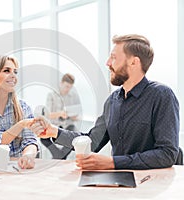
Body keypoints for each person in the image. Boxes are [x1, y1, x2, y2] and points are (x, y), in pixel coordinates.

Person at [31, 34, 180, 170]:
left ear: (134, 62)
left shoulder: (161, 96)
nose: (108, 63)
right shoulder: (112, 101)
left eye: (114, 58)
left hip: (151, 185)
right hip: (117, 183)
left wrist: (113, 162)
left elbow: (167, 154)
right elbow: (92, 141)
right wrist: (54, 131)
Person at [40, 73, 81, 159]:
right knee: (43, 138)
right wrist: (60, 113)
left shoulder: (72, 96)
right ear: (61, 83)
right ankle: (59, 155)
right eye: (66, 86)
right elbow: (48, 115)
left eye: (70, 87)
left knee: (75, 137)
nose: (68, 89)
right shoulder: (51, 95)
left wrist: (73, 116)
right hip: (54, 124)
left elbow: (73, 112)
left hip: (67, 124)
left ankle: (58, 156)